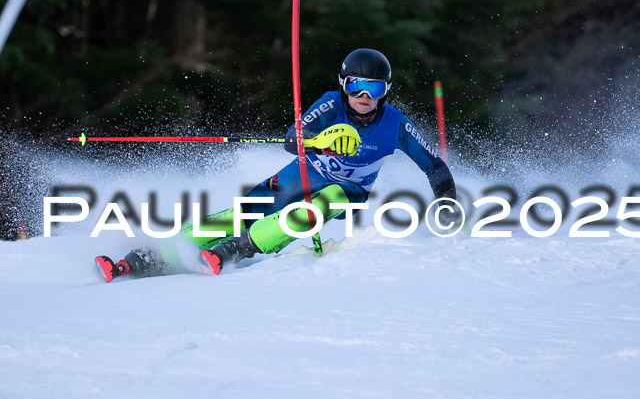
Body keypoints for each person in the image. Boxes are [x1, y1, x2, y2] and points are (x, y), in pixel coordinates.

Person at [96, 48, 457, 281]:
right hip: (304, 172)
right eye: (358, 86)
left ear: (386, 91)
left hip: (348, 190)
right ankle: (147, 257)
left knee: (318, 206)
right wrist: (316, 141)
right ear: (344, 84)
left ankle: (239, 248)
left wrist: (448, 201)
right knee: (244, 210)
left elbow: (434, 165)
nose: (365, 97)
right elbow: (292, 136)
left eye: (375, 89)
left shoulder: (396, 124)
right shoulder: (331, 105)